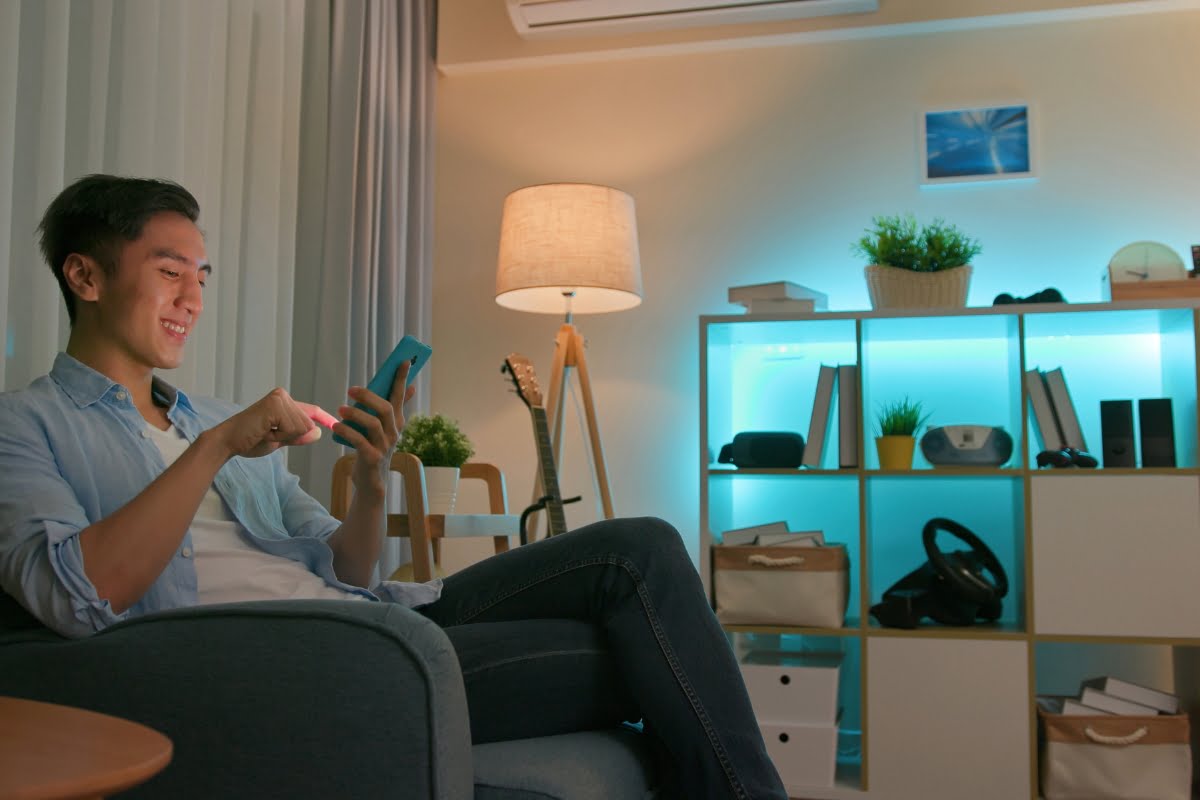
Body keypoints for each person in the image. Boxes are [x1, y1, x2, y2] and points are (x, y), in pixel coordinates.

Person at [0, 174, 787, 799]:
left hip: (370, 615)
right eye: (169, 273)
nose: (193, 300)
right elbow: (76, 595)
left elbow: (350, 570)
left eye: (202, 277)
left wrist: (372, 482)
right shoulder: (27, 425)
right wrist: (213, 448)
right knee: (657, 647)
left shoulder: (207, 416)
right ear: (84, 275)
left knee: (638, 551)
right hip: (311, 661)